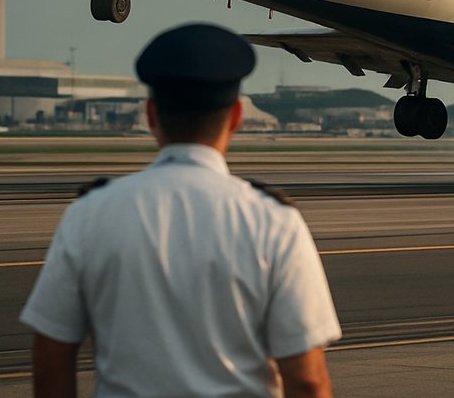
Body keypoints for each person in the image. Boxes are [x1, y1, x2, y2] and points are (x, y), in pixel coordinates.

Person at [21, 23, 340, 397]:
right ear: (236, 116)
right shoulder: (273, 221)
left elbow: (50, 359)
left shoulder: (90, 213)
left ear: (151, 115)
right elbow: (307, 380)